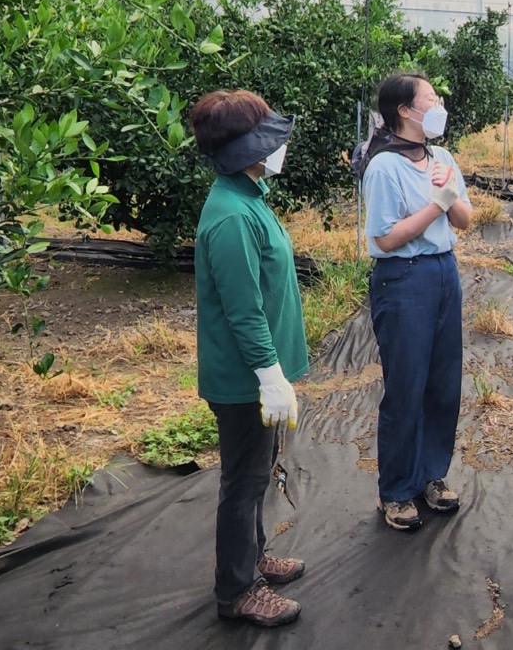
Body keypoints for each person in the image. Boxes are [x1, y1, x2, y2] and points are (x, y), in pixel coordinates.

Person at [189, 89, 310, 628]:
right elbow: (243, 311)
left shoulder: (248, 196)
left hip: (259, 376)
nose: (277, 146)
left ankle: (254, 559)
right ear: (245, 148)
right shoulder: (232, 217)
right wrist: (269, 376)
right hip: (244, 381)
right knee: (242, 482)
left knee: (257, 474)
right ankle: (237, 589)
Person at [360, 73, 472, 531]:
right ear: (405, 110)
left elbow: (464, 219)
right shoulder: (384, 167)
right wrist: (436, 204)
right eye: (431, 98)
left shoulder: (441, 157)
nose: (439, 104)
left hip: (444, 272)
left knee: (443, 383)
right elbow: (385, 239)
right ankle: (397, 490)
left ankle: (431, 475)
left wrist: (450, 197)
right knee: (406, 385)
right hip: (403, 279)